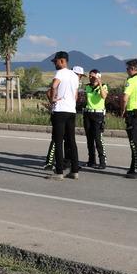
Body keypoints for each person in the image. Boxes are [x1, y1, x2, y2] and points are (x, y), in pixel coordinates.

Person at [45, 51, 81, 180]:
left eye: (55, 61)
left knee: (58, 141)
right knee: (71, 141)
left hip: (60, 110)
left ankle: (59, 172)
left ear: (62, 61)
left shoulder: (60, 73)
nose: (54, 64)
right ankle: (75, 171)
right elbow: (76, 95)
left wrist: (53, 99)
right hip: (71, 110)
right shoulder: (75, 76)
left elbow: (53, 85)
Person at [83, 69, 109, 169]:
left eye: (93, 76)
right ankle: (91, 160)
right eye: (90, 76)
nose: (91, 78)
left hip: (98, 114)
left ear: (98, 76)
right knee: (89, 139)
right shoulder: (87, 87)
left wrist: (100, 83)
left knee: (98, 139)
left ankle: (102, 161)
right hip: (88, 113)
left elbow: (103, 96)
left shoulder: (104, 86)